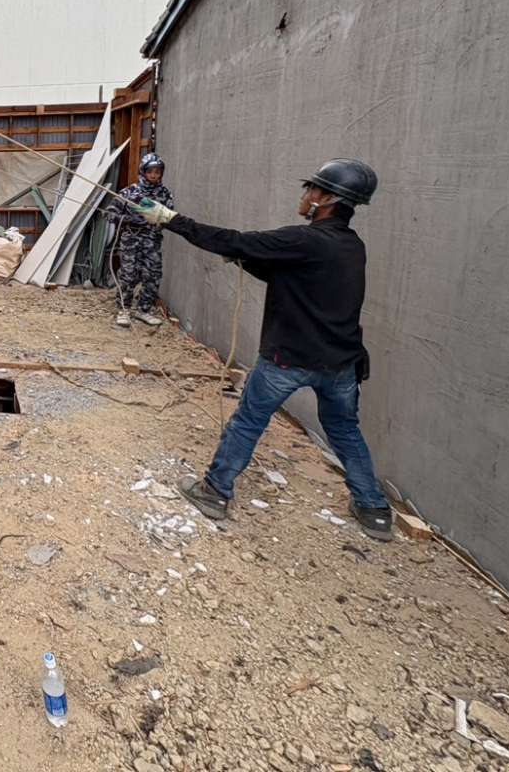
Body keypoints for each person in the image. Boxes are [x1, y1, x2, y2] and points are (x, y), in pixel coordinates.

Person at [130, 158, 395, 542]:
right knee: (345, 431)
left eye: (311, 189)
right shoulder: (351, 246)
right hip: (340, 365)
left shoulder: (303, 240)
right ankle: (373, 510)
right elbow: (286, 273)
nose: (305, 195)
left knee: (248, 422)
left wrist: (170, 219)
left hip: (288, 359)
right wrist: (244, 258)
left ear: (327, 199)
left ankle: (214, 492)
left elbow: (235, 240)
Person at [112, 153, 174, 327]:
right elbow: (109, 213)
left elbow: (169, 217)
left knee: (153, 275)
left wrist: (159, 220)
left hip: (152, 240)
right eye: (150, 171)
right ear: (143, 171)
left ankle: (143, 310)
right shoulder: (130, 193)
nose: (154, 175)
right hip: (131, 240)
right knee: (128, 275)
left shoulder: (165, 194)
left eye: (157, 172)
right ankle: (124, 310)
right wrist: (128, 220)